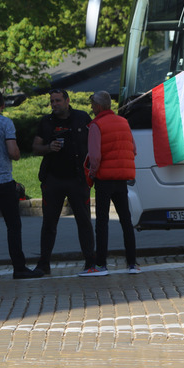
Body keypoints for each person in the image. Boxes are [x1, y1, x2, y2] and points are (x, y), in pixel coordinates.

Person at [33, 89, 97, 276]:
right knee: (49, 223)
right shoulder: (46, 122)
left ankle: (90, 261)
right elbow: (35, 147)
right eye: (52, 101)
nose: (54, 104)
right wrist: (48, 147)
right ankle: (43, 263)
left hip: (78, 179)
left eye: (58, 100)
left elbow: (95, 139)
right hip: (53, 180)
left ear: (67, 101)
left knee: (84, 221)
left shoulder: (81, 117)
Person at [87, 91, 139, 275]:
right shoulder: (123, 122)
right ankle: (132, 263)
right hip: (121, 179)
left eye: (93, 105)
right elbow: (133, 150)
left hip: (104, 180)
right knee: (126, 220)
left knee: (102, 222)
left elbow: (95, 157)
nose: (92, 108)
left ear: (99, 106)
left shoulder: (96, 125)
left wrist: (92, 174)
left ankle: (101, 264)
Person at [0, 90, 43, 279]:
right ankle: (19, 267)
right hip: (3, 181)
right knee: (13, 225)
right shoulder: (5, 123)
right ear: (3, 105)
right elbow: (13, 151)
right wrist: (16, 155)